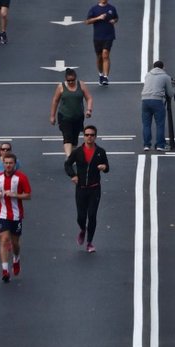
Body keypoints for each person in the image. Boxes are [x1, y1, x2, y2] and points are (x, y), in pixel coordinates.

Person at [0, 152, 31, 282]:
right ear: (3, 164)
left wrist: (15, 195)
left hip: (16, 215)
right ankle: (5, 270)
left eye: (11, 163)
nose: (8, 165)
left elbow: (28, 195)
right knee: (4, 239)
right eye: (6, 163)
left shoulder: (21, 178)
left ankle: (16, 259)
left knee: (15, 243)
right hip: (2, 213)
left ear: (15, 164)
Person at [64, 124, 109, 252]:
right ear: (83, 137)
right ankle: (83, 229)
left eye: (92, 135)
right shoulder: (77, 152)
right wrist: (73, 175)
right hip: (81, 188)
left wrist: (104, 167)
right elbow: (67, 165)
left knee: (92, 215)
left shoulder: (100, 152)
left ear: (95, 137)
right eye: (87, 135)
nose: (89, 137)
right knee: (81, 216)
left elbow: (107, 167)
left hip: (95, 188)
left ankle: (89, 242)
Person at [50, 68, 93, 158]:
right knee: (67, 137)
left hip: (78, 117)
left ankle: (71, 156)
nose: (70, 82)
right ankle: (69, 158)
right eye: (68, 80)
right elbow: (55, 101)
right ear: (65, 79)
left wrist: (89, 110)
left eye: (72, 80)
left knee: (74, 139)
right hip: (64, 116)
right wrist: (52, 116)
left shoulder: (81, 85)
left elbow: (89, 98)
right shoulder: (61, 86)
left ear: (75, 78)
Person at [85, 0, 118, 85]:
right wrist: (98, 18)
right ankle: (100, 74)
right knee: (99, 57)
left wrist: (114, 21)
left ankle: (105, 77)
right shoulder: (94, 9)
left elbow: (116, 18)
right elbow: (87, 21)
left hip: (109, 36)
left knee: (105, 54)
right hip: (98, 37)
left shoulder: (112, 8)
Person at [141, 60, 172, 152]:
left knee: (146, 124)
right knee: (160, 124)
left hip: (145, 100)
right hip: (157, 101)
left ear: (153, 67)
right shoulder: (165, 76)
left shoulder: (148, 75)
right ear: (163, 67)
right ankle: (160, 145)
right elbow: (170, 93)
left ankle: (146, 145)